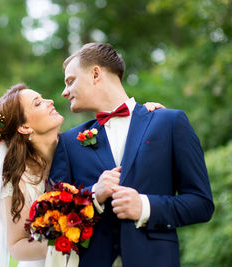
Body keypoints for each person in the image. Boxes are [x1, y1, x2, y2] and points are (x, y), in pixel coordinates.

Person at [49, 43, 214, 267]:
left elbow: (201, 203)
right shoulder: (68, 142)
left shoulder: (169, 122)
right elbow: (53, 219)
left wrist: (145, 207)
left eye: (70, 81)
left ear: (96, 74)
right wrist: (94, 196)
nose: (64, 92)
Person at [0, 83, 164, 267]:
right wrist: (64, 238)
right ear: (25, 127)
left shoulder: (81, 144)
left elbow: (120, 138)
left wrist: (143, 117)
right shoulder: (20, 180)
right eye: (38, 103)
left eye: (43, 98)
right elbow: (17, 246)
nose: (50, 101)